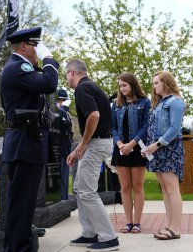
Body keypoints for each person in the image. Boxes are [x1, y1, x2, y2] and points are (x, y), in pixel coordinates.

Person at [0, 26, 59, 252]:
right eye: (35, 46)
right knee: (21, 204)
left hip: (26, 141)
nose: (38, 51)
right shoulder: (18, 66)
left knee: (22, 203)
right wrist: (49, 59)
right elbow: (48, 84)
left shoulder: (18, 67)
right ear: (24, 46)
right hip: (24, 142)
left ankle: (19, 247)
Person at [65, 59, 119, 251]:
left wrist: (84, 143)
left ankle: (109, 237)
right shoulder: (92, 87)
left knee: (87, 191)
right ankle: (90, 232)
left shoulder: (82, 89)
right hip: (98, 142)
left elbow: (94, 116)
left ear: (72, 72)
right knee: (80, 187)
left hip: (96, 143)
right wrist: (79, 147)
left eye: (65, 76)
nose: (66, 81)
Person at [143, 71, 185, 240]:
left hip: (169, 149)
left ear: (166, 83)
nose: (154, 86)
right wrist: (148, 147)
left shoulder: (176, 102)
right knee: (165, 190)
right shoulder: (160, 103)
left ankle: (175, 229)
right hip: (157, 150)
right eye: (153, 83)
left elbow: (174, 129)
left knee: (173, 190)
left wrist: (157, 144)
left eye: (156, 83)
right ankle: (169, 225)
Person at [111, 72, 150, 233]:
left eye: (124, 85)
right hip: (120, 149)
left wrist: (131, 144)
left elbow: (146, 126)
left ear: (133, 85)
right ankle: (128, 222)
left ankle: (138, 222)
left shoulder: (144, 102)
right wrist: (120, 143)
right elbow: (112, 127)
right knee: (125, 187)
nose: (122, 88)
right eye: (120, 86)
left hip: (137, 149)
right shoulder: (116, 104)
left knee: (138, 186)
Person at [56, 89, 73, 201]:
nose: (63, 102)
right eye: (62, 100)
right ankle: (61, 199)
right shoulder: (60, 112)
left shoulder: (66, 113)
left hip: (65, 147)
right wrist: (62, 109)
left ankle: (64, 199)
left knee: (64, 175)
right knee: (59, 176)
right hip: (57, 148)